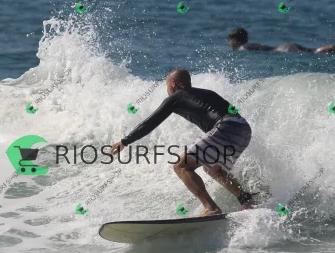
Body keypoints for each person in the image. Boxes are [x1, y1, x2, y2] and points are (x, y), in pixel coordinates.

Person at [109, 68, 256, 216]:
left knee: (180, 165)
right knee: (212, 168)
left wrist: (124, 141)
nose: (167, 90)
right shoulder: (206, 93)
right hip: (243, 130)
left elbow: (150, 123)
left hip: (227, 128)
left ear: (173, 83)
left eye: (167, 85)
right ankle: (246, 201)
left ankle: (211, 208)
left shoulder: (177, 97)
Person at [228, 27, 335, 54]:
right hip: (286, 46)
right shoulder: (250, 44)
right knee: (313, 51)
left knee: (314, 53)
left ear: (234, 39)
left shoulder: (243, 48)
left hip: (284, 49)